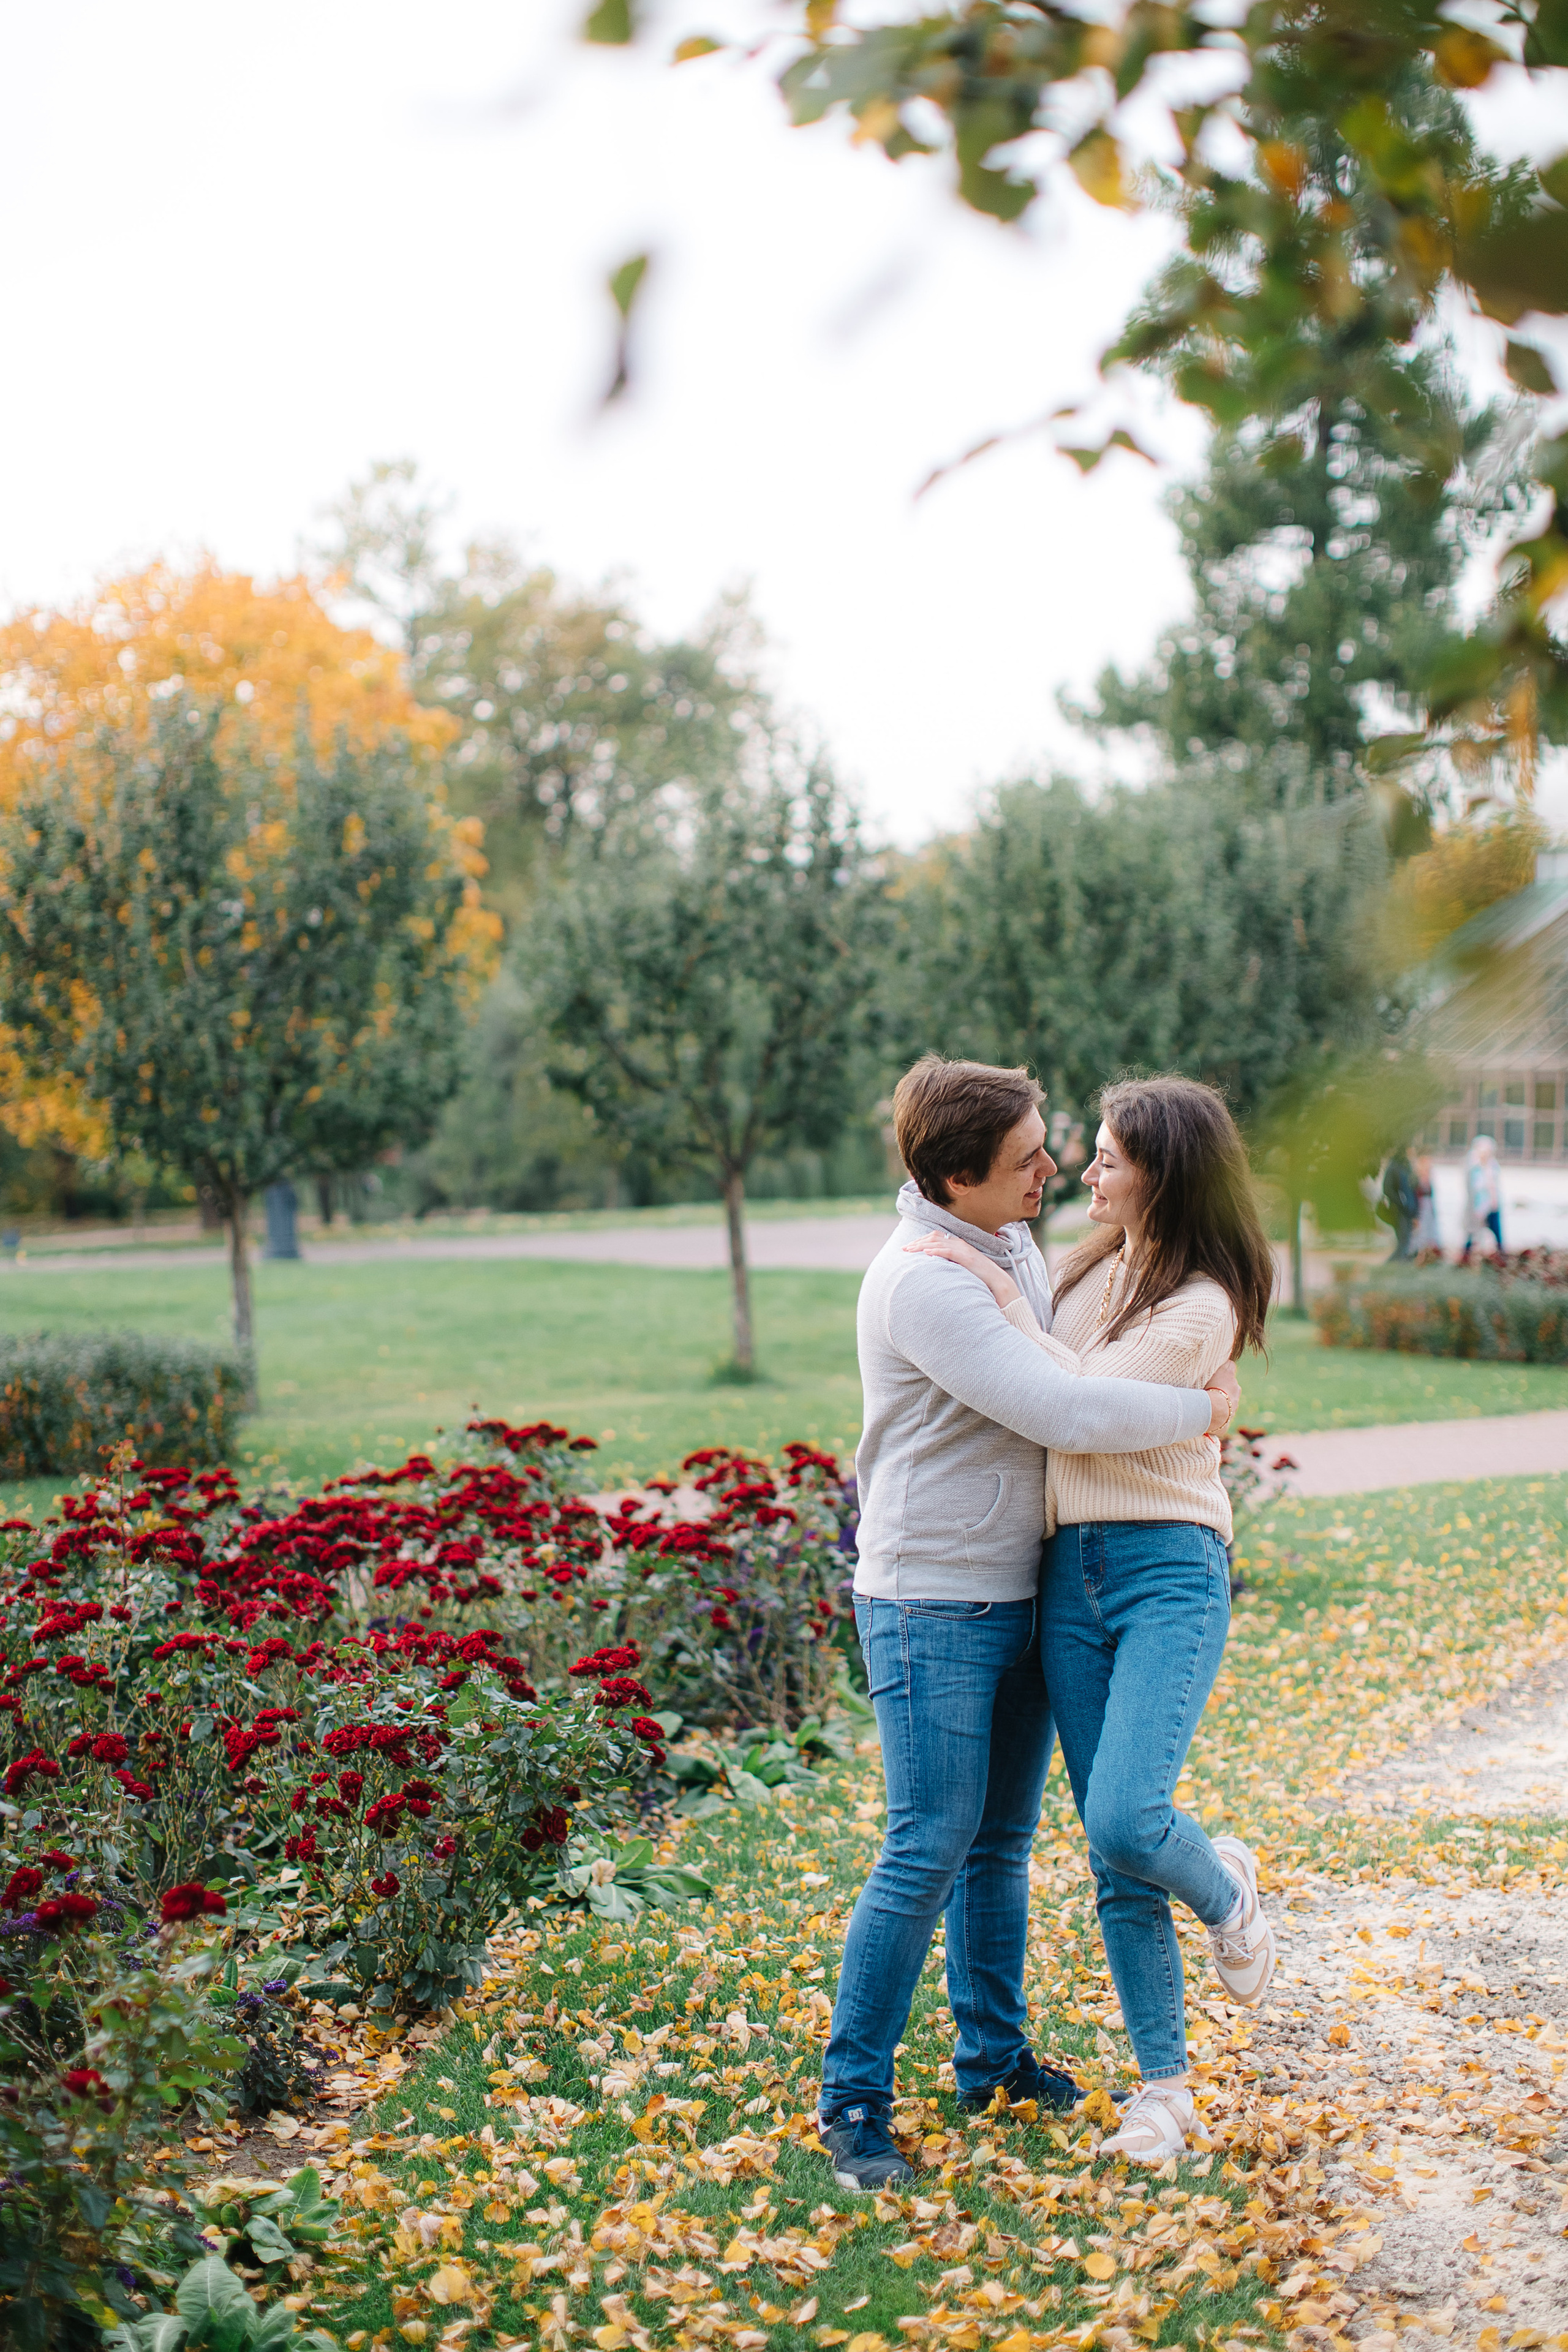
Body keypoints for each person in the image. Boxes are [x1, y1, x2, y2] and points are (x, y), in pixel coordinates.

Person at [816, 1057, 1240, 2195]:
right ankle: (852, 2100)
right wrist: (1204, 1410)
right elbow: (1063, 1406)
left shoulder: (1004, 1242)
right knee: (927, 1845)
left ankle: (992, 2063)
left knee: (999, 1846)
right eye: (1027, 1157)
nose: (1052, 1167)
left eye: (1051, 1145)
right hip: (932, 1598)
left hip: (1023, 1586)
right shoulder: (924, 1282)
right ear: (958, 1178)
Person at [1463, 1133, 1503, 1259]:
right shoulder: (1473, 1168)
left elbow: (1494, 1187)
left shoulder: (1493, 1166)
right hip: (1477, 1207)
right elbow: (1472, 1189)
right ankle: (1466, 1255)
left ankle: (1501, 1254)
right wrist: (1476, 1207)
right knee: (1472, 1232)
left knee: (1496, 1232)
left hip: (1492, 1205)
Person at [1379, 1145, 1418, 1261]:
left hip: (1409, 1209)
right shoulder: (1394, 1167)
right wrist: (1401, 1203)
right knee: (1403, 1239)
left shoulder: (1406, 1166)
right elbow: (1387, 1189)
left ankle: (1401, 1261)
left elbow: (1413, 1187)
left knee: (1406, 1239)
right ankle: (1394, 1262)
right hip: (1399, 1209)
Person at [1414, 1153, 1439, 1255]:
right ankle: (1420, 1251)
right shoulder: (1417, 1178)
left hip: (1428, 1205)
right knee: (1422, 1229)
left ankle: (1429, 1251)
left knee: (1430, 1228)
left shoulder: (1429, 1178)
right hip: (1421, 1206)